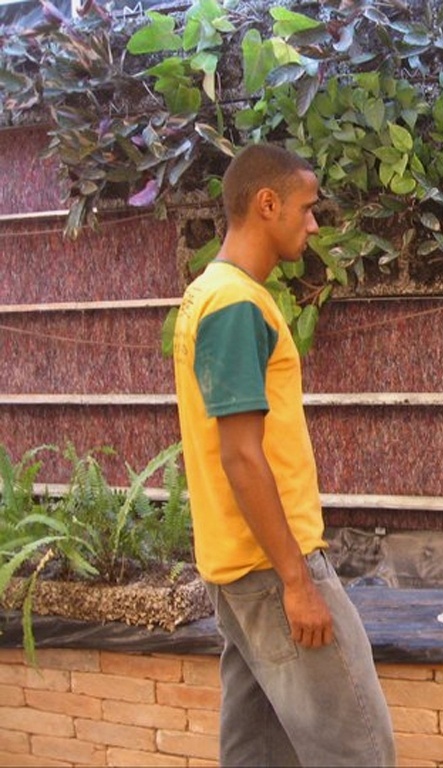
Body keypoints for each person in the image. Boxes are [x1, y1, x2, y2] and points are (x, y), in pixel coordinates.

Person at [173, 143, 395, 766]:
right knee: (360, 750)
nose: (314, 223)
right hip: (271, 569)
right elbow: (241, 455)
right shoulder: (236, 305)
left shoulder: (207, 294)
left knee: (259, 755)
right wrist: (297, 581)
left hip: (237, 570)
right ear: (267, 204)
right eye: (307, 207)